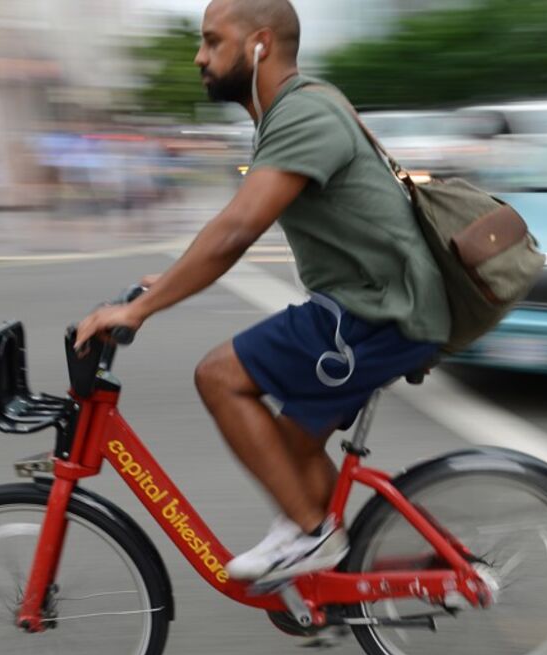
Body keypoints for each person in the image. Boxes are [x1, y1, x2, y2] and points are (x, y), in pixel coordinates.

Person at [74, 0, 450, 584]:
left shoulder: (302, 115)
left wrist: (141, 308)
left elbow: (236, 230)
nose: (199, 57)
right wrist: (168, 283)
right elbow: (231, 228)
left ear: (260, 45)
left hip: (376, 310)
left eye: (212, 41)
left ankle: (310, 535)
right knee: (291, 446)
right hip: (375, 304)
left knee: (219, 376)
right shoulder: (295, 109)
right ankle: (353, 575)